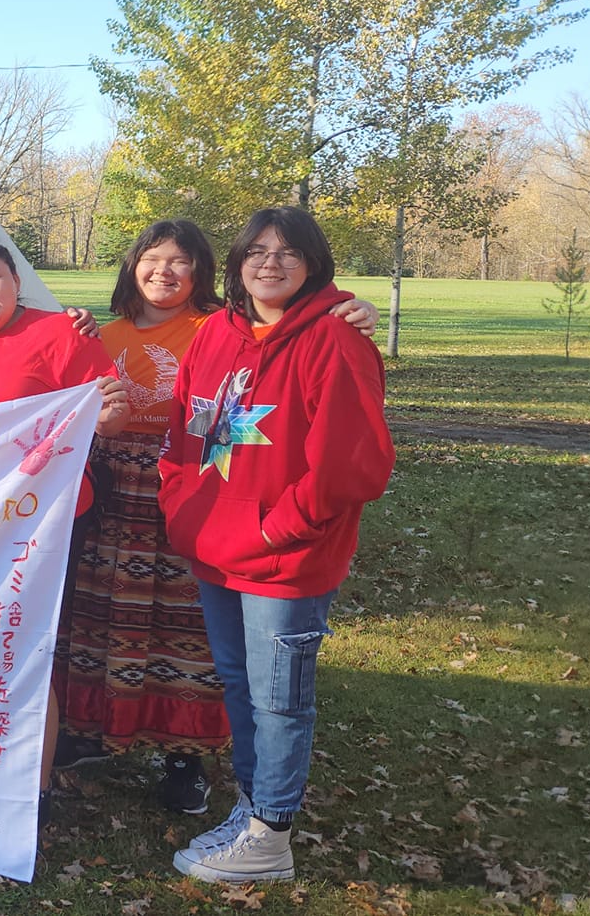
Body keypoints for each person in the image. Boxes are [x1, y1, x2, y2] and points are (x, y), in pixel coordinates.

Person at [58, 221, 385, 812]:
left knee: (189, 638)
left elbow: (337, 447)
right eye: (150, 259)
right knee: (105, 616)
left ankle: (186, 755)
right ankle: (93, 729)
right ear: (130, 266)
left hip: (209, 507)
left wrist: (349, 308)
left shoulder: (216, 328)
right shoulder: (103, 336)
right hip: (124, 497)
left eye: (179, 261)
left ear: (205, 272)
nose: (163, 271)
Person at [162, 207, 393, 884]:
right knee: (239, 684)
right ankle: (252, 807)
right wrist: (181, 502)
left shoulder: (335, 339)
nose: (270, 262)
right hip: (214, 545)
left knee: (279, 698)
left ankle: (272, 833)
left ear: (314, 264)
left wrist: (277, 527)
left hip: (284, 558)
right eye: (257, 250)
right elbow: (185, 427)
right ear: (236, 264)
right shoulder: (216, 336)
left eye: (288, 252)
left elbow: (351, 464)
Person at [0, 236, 131, 800]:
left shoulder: (60, 333)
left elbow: (110, 412)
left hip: (43, 520)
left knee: (22, 644)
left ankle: (26, 796)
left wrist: (108, 412)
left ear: (15, 281)